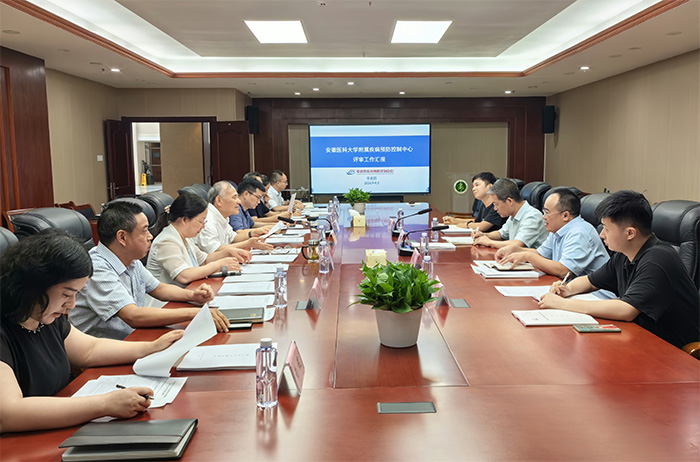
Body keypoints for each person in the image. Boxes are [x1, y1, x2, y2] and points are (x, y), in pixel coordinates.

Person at [0, 230, 184, 433]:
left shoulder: (44, 315)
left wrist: (152, 348)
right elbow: (8, 413)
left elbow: (89, 349)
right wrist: (104, 404)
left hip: (53, 431)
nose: (71, 305)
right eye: (66, 294)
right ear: (35, 285)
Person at [540, 190, 700, 348]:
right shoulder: (624, 254)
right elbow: (590, 281)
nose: (602, 235)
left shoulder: (658, 259)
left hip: (675, 350)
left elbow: (626, 310)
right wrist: (567, 289)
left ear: (630, 233)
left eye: (606, 229)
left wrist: (562, 304)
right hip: (641, 337)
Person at [70, 201, 230, 340]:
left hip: (136, 337)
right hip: (107, 352)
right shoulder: (97, 268)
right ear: (122, 237)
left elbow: (159, 289)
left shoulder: (131, 261)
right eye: (144, 230)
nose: (150, 236)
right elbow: (133, 316)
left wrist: (192, 296)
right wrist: (194, 313)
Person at [495, 187, 609, 278]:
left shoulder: (580, 232)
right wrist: (516, 250)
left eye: (547, 212)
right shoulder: (557, 229)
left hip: (594, 295)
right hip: (567, 288)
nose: (543, 217)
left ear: (565, 215)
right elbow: (541, 253)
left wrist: (527, 256)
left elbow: (564, 271)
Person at [147, 192, 245, 287]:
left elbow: (204, 260)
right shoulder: (167, 241)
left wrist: (228, 252)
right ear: (185, 220)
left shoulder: (185, 237)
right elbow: (183, 276)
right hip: (170, 298)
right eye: (201, 221)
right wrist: (218, 265)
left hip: (189, 291)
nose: (203, 226)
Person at [196, 180, 273, 254]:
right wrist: (247, 244)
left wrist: (253, 233)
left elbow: (233, 238)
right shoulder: (206, 220)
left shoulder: (223, 216)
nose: (239, 201)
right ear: (219, 200)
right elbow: (215, 250)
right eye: (234, 197)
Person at [473, 178, 548, 249]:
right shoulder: (513, 214)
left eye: (496, 204)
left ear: (509, 201)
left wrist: (489, 242)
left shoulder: (532, 216)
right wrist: (484, 235)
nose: (495, 208)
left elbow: (517, 244)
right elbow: (501, 234)